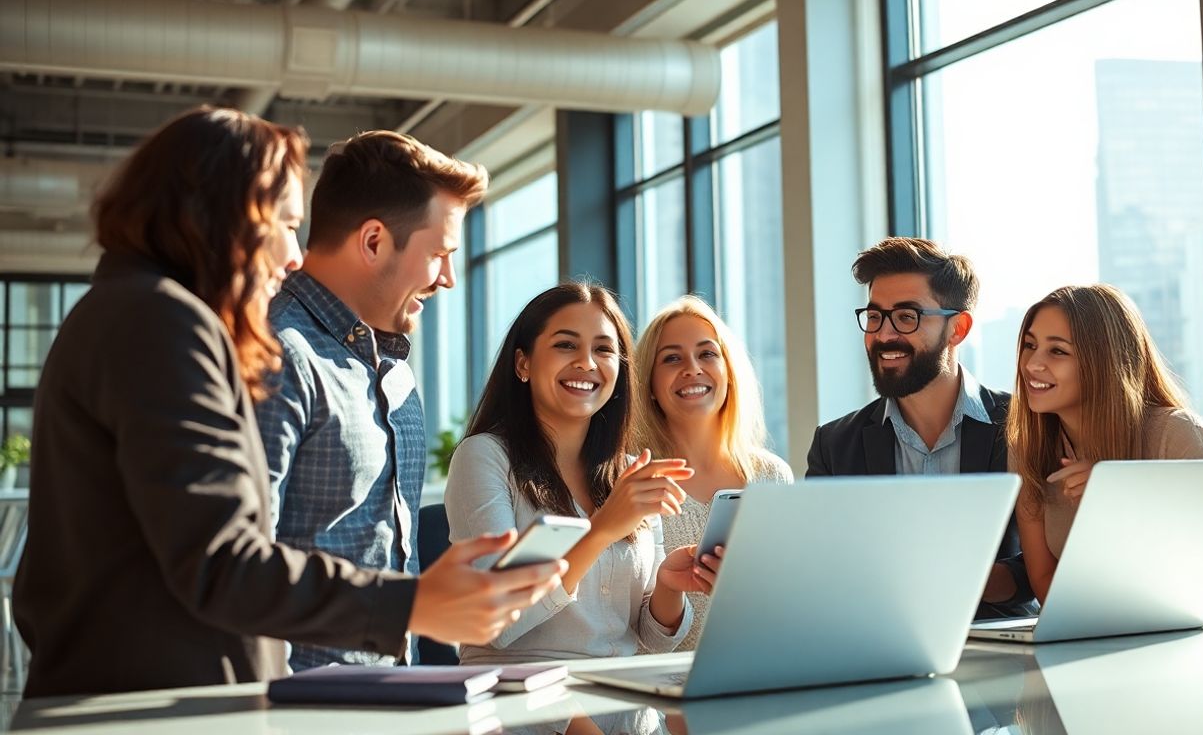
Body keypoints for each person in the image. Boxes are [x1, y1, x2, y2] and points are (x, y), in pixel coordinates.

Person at [12, 107, 564, 699]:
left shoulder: (132, 311)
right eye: (282, 224)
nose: (294, 254)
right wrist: (411, 604)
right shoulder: (164, 322)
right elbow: (225, 561)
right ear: (226, 219)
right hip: (151, 708)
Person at [254, 130, 484, 669]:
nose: (448, 279)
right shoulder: (277, 357)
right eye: (440, 254)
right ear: (374, 241)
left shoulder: (395, 372)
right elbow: (244, 572)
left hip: (389, 697)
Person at [445, 283, 708, 664]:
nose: (587, 362)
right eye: (566, 345)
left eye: (603, 349)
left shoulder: (629, 472)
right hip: (530, 708)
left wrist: (668, 584)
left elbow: (653, 638)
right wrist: (601, 529)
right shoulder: (484, 457)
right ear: (523, 363)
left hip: (626, 707)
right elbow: (501, 622)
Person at [806, 237, 1034, 618]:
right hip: (879, 656)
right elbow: (823, 571)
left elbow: (1048, 560)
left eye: (907, 316)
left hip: (1002, 656)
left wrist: (966, 578)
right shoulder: (834, 445)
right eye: (875, 316)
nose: (884, 334)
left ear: (957, 329)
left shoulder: (1024, 428)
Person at [1007, 284, 1203, 607]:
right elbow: (1045, 582)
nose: (1031, 364)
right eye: (1030, 345)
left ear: (1105, 361)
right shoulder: (1028, 450)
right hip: (1091, 643)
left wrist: (1125, 503)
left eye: (1057, 351)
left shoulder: (1178, 436)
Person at [631, 295, 793, 649]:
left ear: (728, 372)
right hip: (665, 691)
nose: (692, 369)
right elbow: (638, 631)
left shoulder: (772, 476)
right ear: (650, 385)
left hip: (759, 677)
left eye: (707, 354)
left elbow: (788, 607)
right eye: (672, 358)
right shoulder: (635, 482)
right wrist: (669, 585)